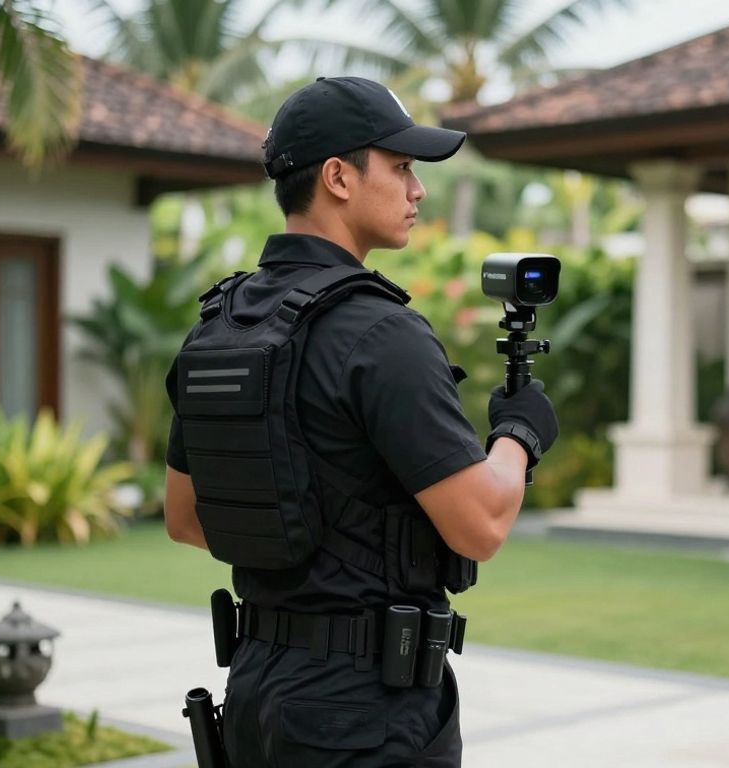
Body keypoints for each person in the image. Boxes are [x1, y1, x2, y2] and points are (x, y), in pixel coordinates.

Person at [162, 76, 559, 767]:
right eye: (402, 166)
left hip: (255, 696)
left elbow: (186, 517)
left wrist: (305, 541)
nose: (418, 190)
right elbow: (481, 524)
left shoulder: (217, 328)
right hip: (364, 712)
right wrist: (518, 434)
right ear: (339, 177)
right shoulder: (382, 333)